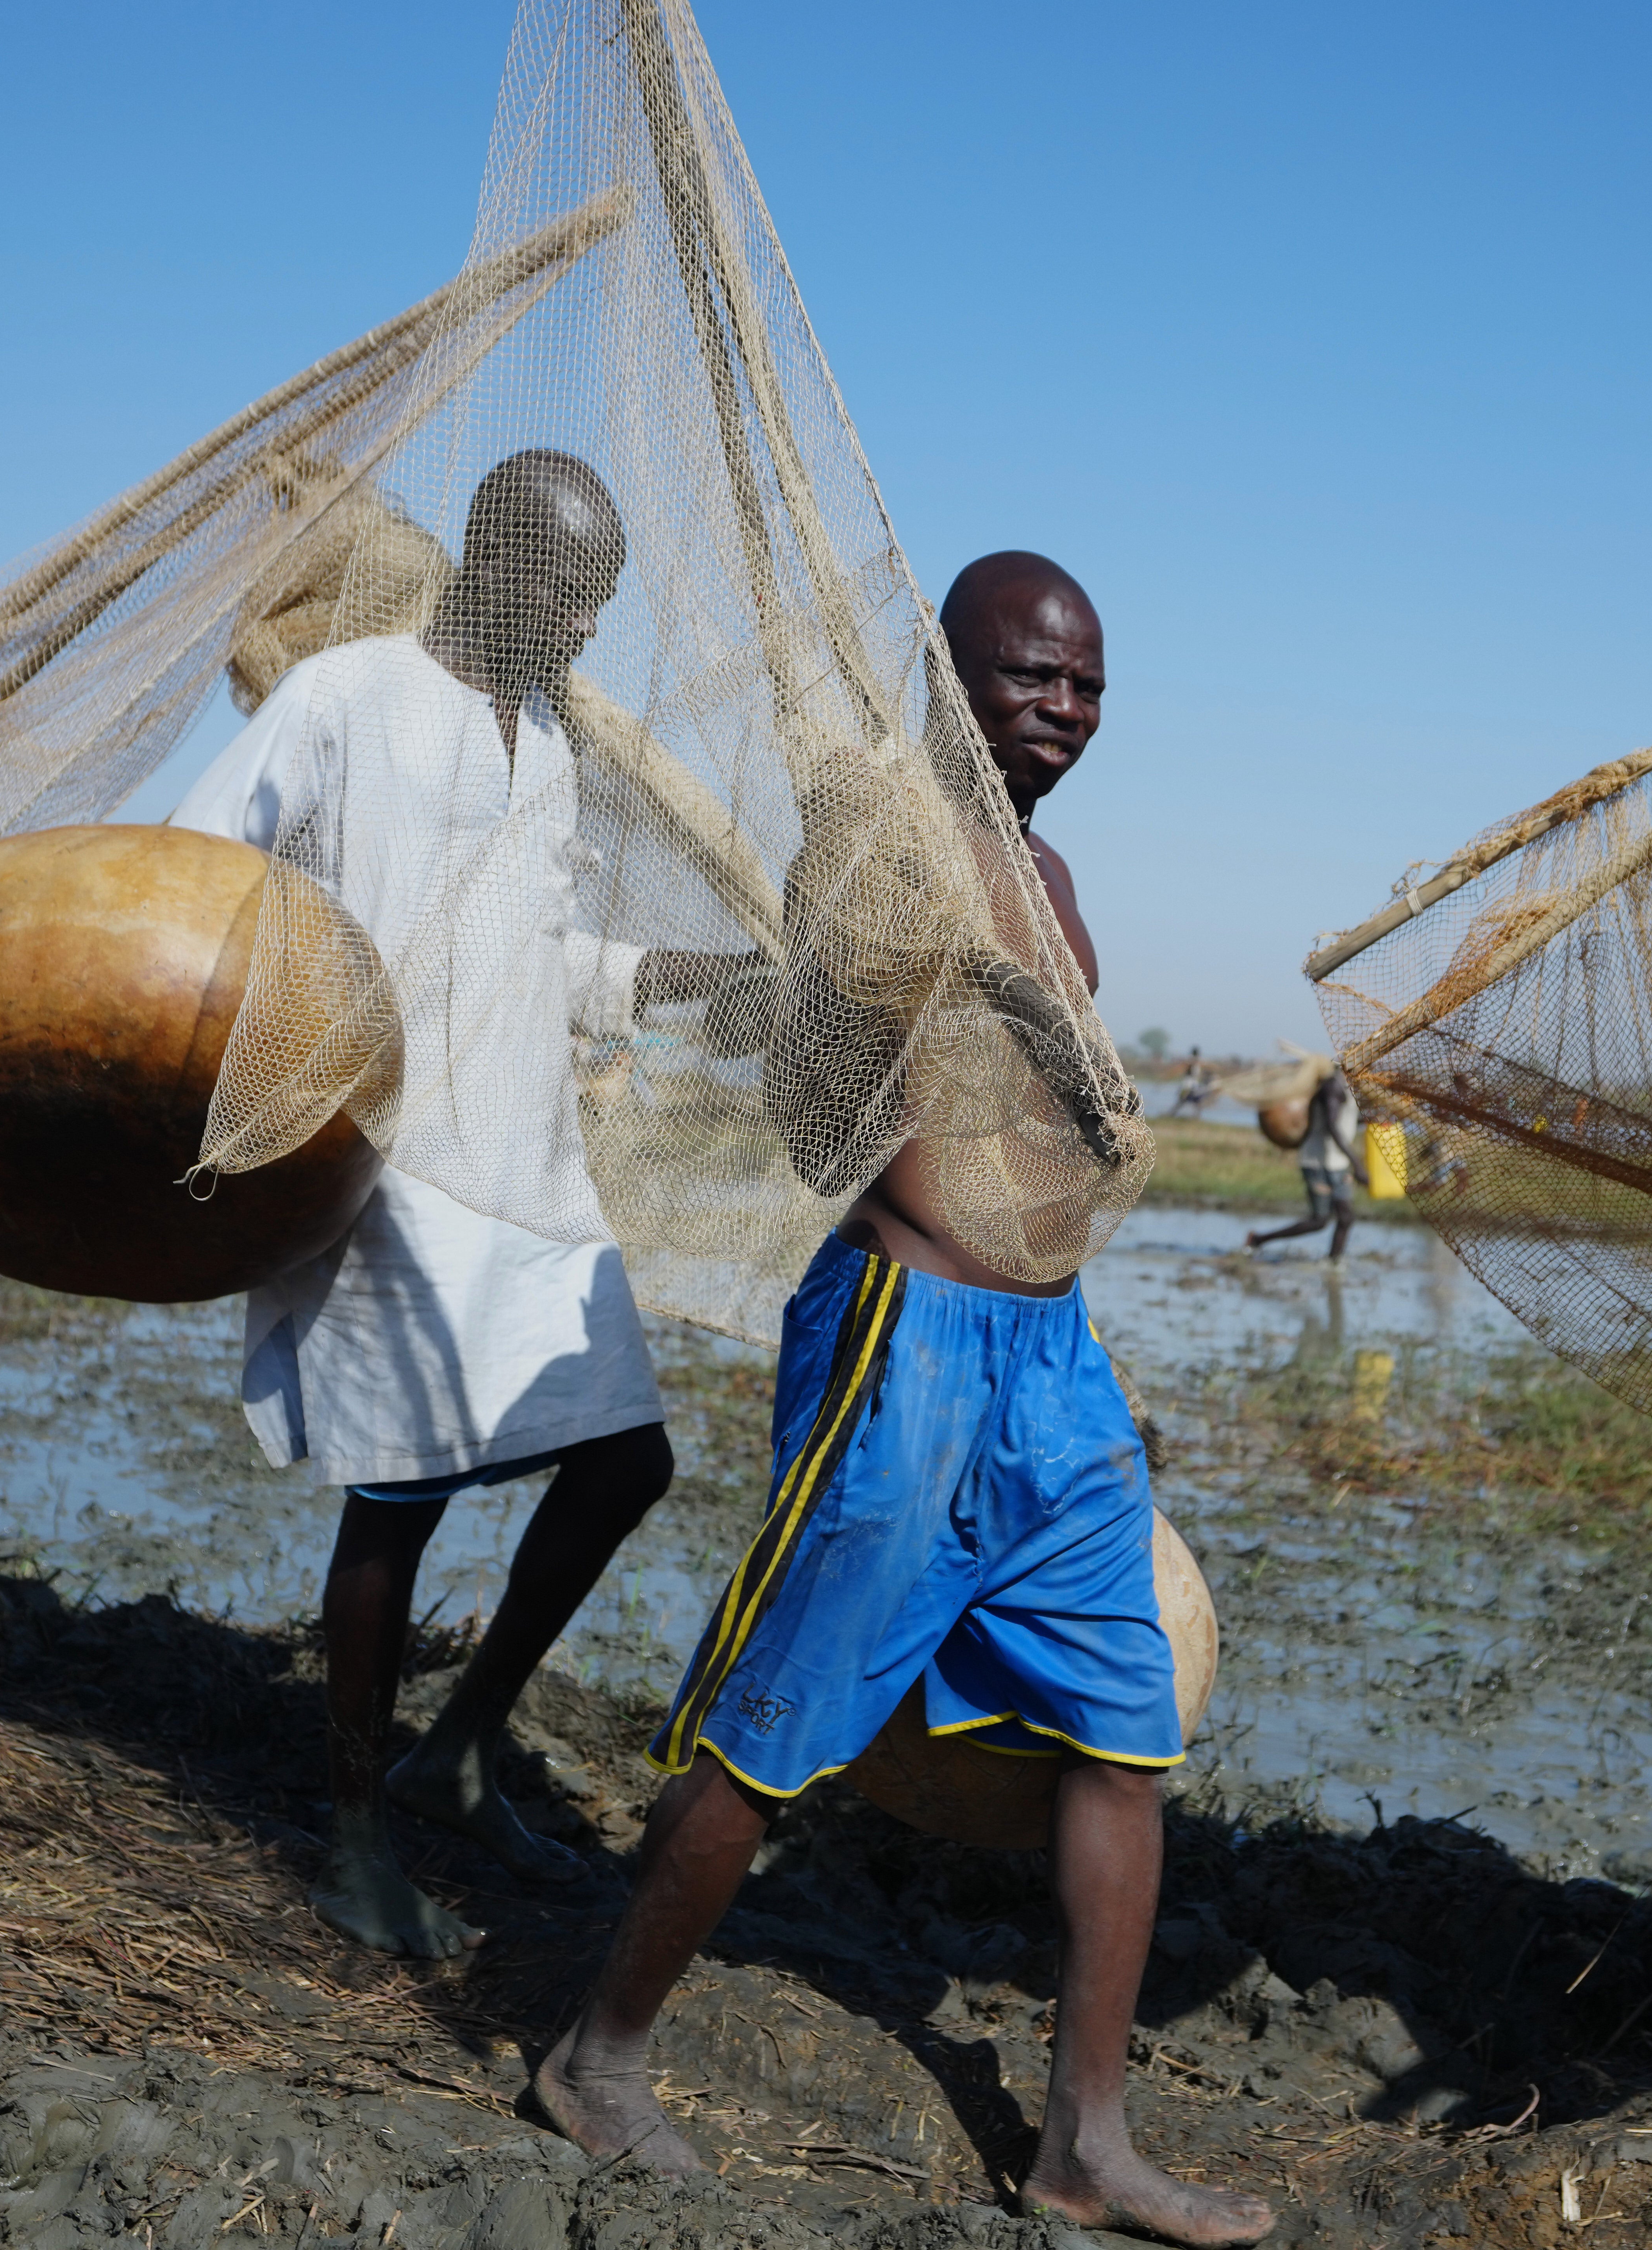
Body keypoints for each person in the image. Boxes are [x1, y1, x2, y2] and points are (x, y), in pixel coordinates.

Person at [531, 553, 1273, 2246]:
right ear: (949, 678)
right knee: (780, 1722)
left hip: (1050, 1361)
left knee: (1121, 1736)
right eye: (1031, 676)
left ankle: (1082, 2143)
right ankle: (595, 2057)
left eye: (1088, 687)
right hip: (906, 1341)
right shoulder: (879, 841)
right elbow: (817, 1098)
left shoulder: (1048, 871)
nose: (1065, 709)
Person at [172, 449, 758, 1957]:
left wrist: (700, 980)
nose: (586, 622)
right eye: (567, 588)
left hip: (529, 1168)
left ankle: (460, 1748)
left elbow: (544, 955)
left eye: (602, 596)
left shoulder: (547, 744)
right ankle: (355, 1839)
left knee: (626, 1463)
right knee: (398, 1500)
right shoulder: (346, 698)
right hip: (391, 1165)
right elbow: (193, 877)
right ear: (490, 563)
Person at [1246, 1067, 1361, 1260]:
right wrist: (1357, 1164)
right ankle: (1258, 1240)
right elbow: (1333, 1127)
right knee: (1319, 1220)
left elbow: (1345, 1120)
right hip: (1318, 1163)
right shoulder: (1333, 1086)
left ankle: (1333, 1264)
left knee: (1346, 1218)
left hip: (1338, 1163)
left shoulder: (1350, 1088)